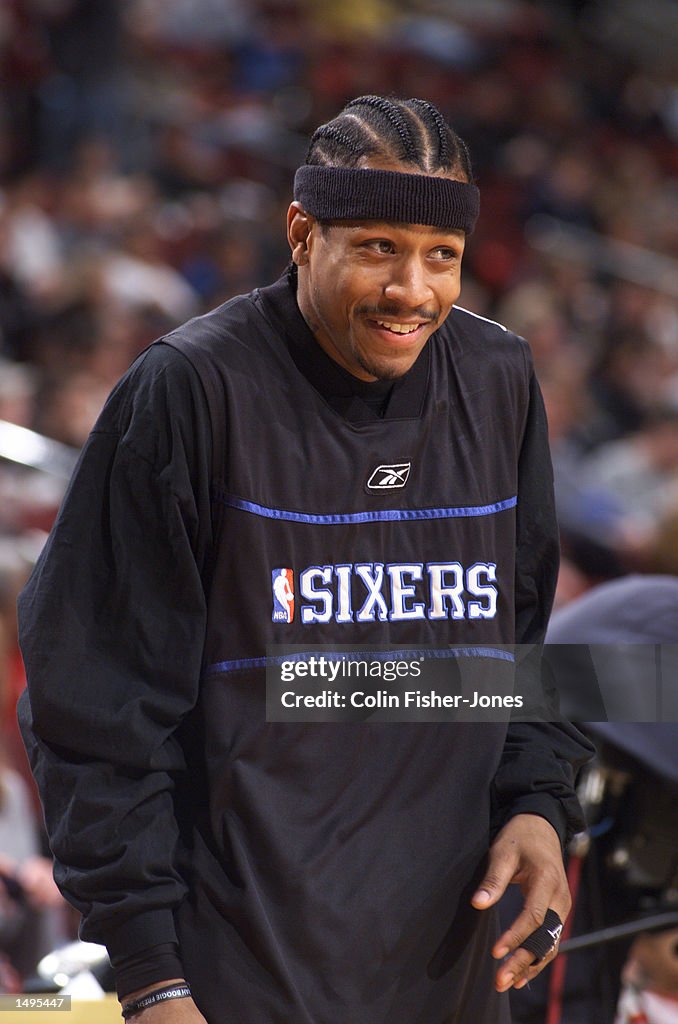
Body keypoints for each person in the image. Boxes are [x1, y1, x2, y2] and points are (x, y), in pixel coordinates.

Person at [17, 95, 593, 1024]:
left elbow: (518, 640)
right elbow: (97, 703)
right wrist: (153, 973)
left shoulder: (499, 379)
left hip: (446, 964)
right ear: (301, 232)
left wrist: (536, 805)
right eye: (377, 248)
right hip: (234, 970)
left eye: (440, 256)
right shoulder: (192, 388)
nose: (414, 290)